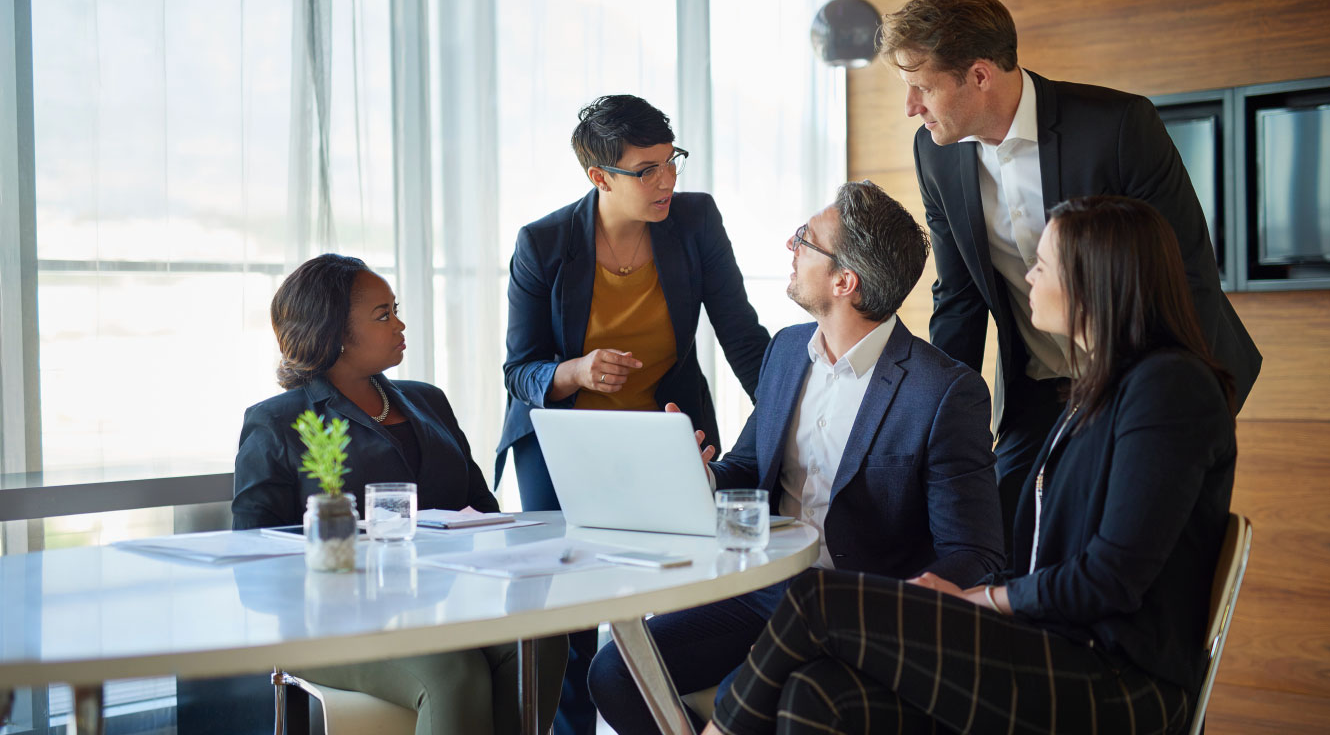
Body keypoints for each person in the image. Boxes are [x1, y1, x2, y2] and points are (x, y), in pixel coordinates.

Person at [703, 195, 1237, 735]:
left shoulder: (1170, 388)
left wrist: (977, 598)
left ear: (1097, 280)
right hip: (1049, 644)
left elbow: (1109, 580)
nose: (1028, 276)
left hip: (1116, 679)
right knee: (813, 695)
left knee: (815, 600)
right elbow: (1039, 556)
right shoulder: (1095, 390)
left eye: (1043, 264)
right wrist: (963, 600)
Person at [589, 180, 1005, 734]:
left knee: (753, 696)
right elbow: (745, 468)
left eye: (804, 240)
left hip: (851, 612)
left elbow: (972, 552)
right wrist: (698, 475)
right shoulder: (787, 350)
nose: (791, 247)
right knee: (616, 672)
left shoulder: (943, 391)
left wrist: (891, 610)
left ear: (844, 280)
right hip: (760, 592)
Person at [883, 0, 1260, 542]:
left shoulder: (1117, 127)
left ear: (980, 75)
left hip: (1144, 384)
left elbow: (1187, 273)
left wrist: (1185, 406)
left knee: (1119, 559)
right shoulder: (934, 153)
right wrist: (936, 423)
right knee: (999, 541)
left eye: (922, 88)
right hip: (1035, 390)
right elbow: (959, 298)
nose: (911, 107)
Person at [499, 94, 771, 734]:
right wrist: (576, 371)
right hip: (565, 439)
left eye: (670, 160)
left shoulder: (695, 221)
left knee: (689, 581)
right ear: (599, 177)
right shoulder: (543, 244)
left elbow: (740, 333)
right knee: (567, 610)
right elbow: (520, 369)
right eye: (645, 170)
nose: (667, 180)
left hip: (663, 427)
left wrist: (793, 412)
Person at [232, 253, 566, 735]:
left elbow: (483, 511)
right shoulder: (277, 422)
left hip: (447, 605)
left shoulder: (428, 400)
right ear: (336, 334)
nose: (400, 323)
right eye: (383, 315)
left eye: (396, 309)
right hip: (333, 624)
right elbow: (253, 556)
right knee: (454, 672)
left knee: (540, 638)